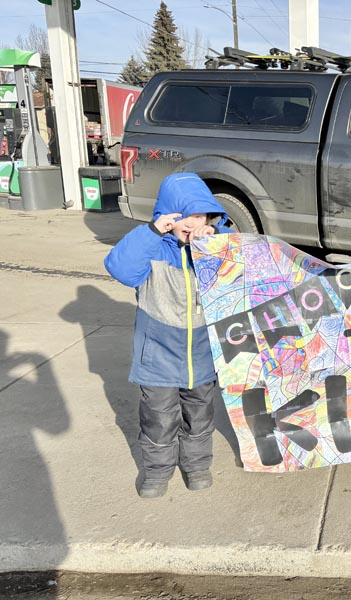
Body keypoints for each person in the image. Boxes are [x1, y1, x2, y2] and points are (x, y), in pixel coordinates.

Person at [105, 173, 231, 499]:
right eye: (184, 216)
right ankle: (157, 471)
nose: (193, 223)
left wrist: (216, 236)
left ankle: (197, 465)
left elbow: (241, 265)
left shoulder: (212, 249)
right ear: (168, 218)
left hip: (201, 355)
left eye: (201, 215)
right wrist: (151, 232)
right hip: (158, 356)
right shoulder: (153, 250)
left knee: (200, 415)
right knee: (159, 418)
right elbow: (120, 268)